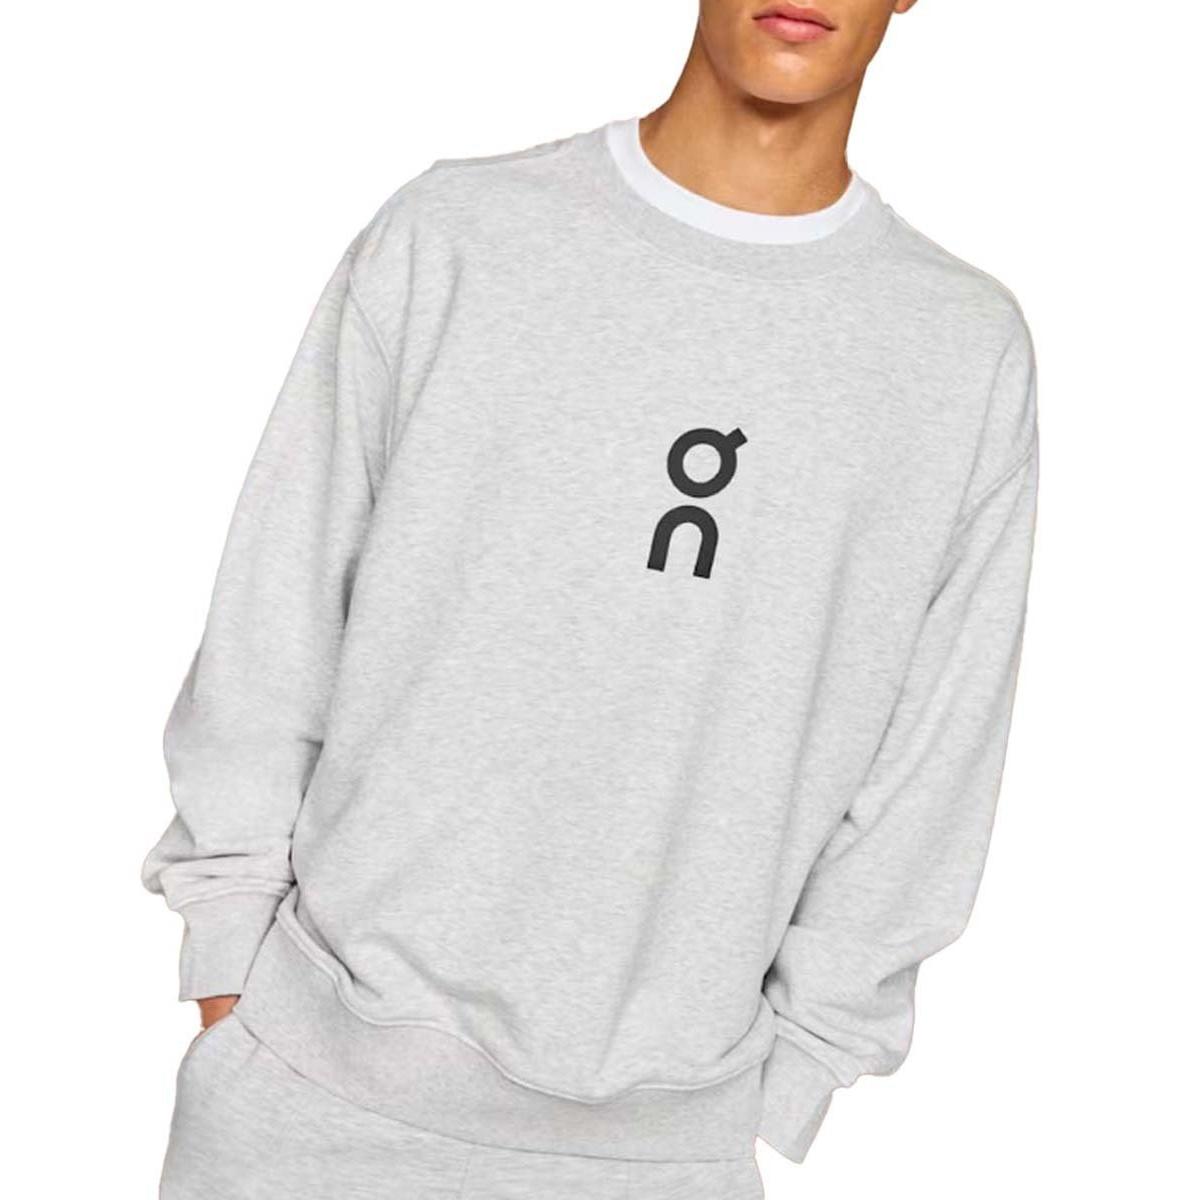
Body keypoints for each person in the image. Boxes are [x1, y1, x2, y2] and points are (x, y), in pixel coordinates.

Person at [144, 2, 1037, 1197]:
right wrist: (228, 959)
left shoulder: (957, 351)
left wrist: (793, 1075)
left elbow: (934, 762)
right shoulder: (460, 234)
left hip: (662, 1153)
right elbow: (278, 611)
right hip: (307, 1098)